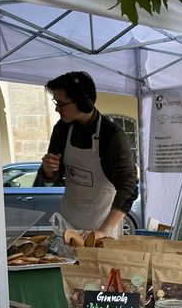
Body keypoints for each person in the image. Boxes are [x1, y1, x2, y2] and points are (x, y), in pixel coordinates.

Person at [38, 71, 138, 240]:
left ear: (83, 102)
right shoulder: (62, 129)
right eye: (56, 103)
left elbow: (128, 187)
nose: (57, 109)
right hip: (68, 223)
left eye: (61, 104)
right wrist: (48, 170)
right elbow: (54, 175)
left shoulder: (112, 135)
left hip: (101, 227)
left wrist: (103, 231)